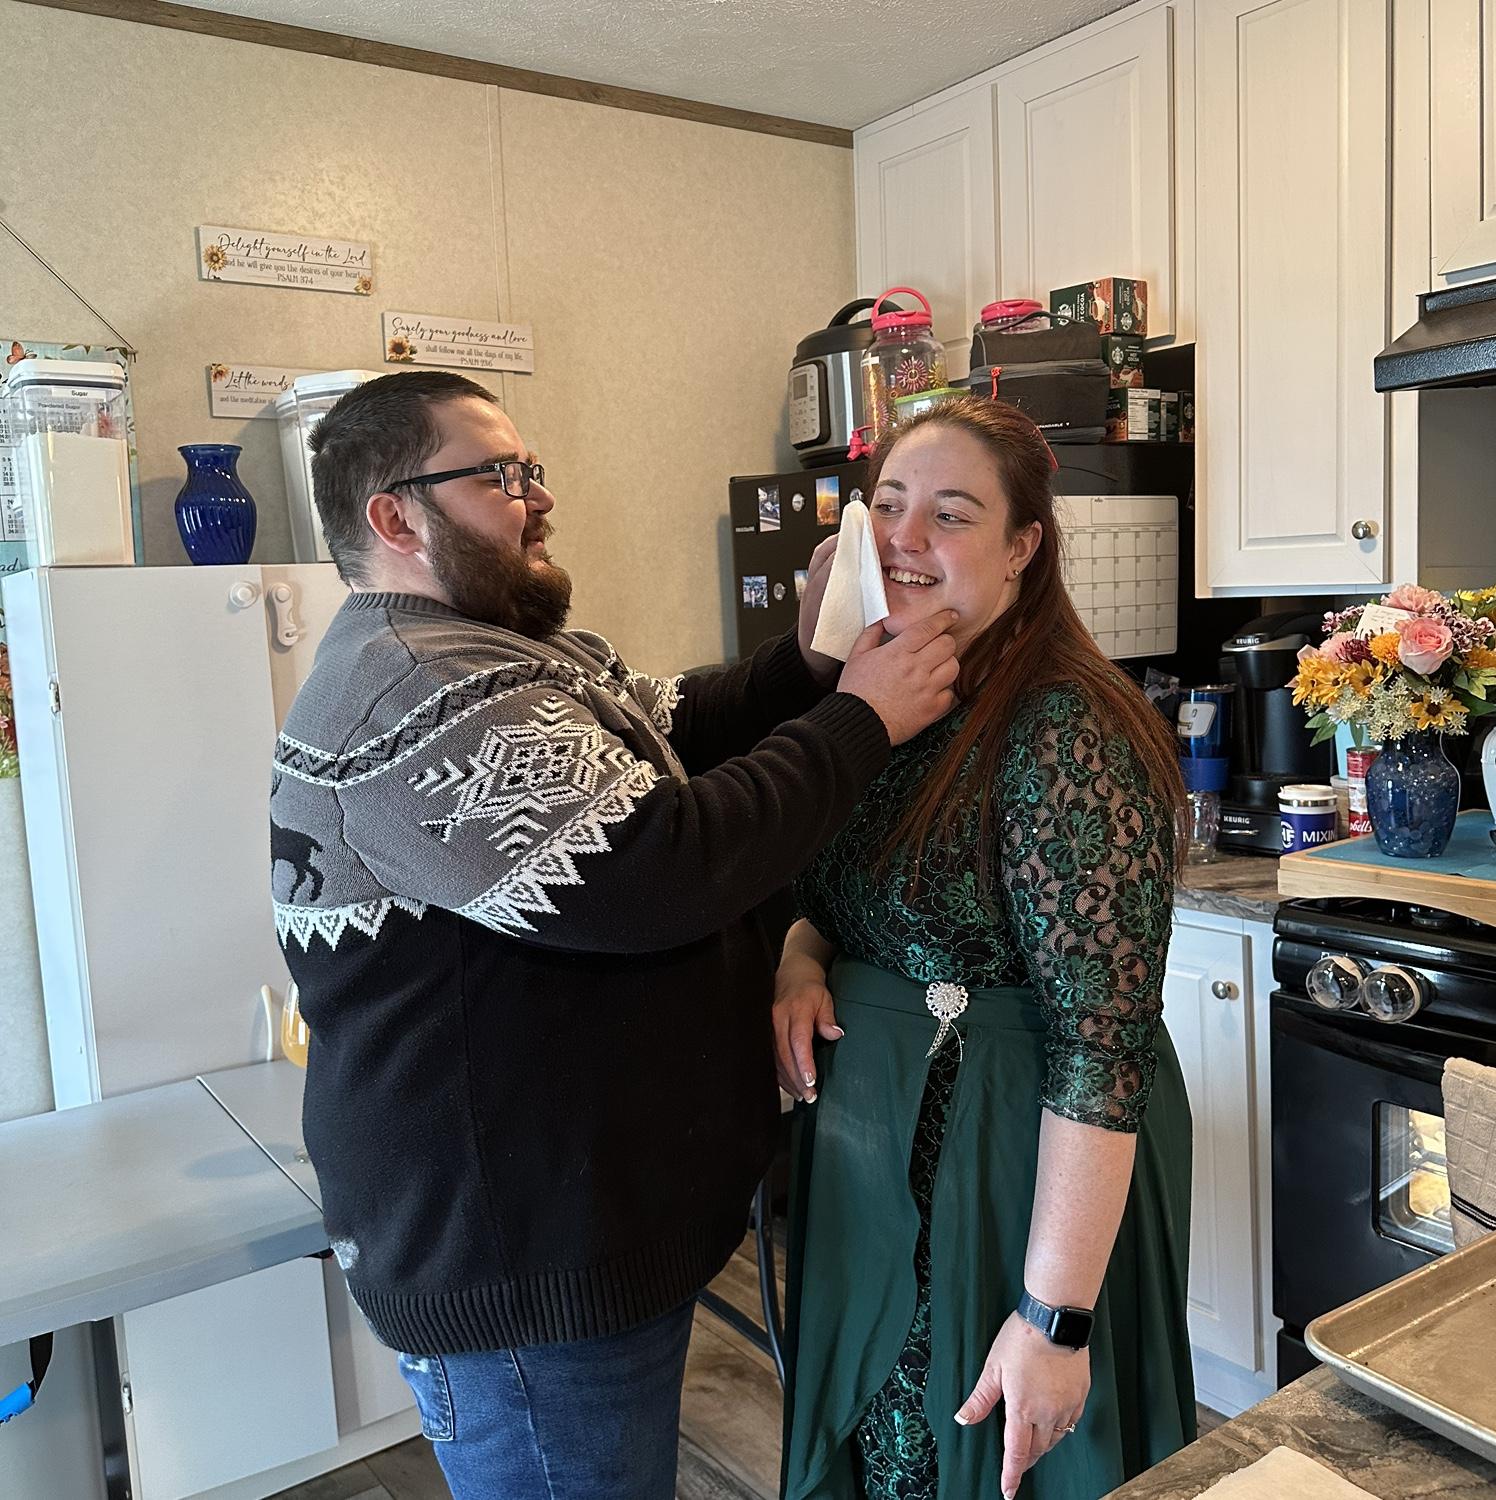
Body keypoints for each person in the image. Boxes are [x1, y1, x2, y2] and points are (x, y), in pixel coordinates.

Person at [268, 370, 961, 1500]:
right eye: (497, 477)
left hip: (580, 1238)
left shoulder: (495, 654)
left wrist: (810, 665)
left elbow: (675, 726)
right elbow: (654, 867)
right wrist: (860, 720)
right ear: (395, 516)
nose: (535, 497)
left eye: (531, 469)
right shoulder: (413, 690)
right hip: (520, 1275)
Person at [773, 397, 1194, 1500]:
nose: (906, 537)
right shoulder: (888, 692)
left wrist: (1054, 1318)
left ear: (1021, 549)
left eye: (950, 515)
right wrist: (800, 953)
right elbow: (849, 895)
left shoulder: (1066, 726)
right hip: (881, 1169)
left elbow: (1103, 1046)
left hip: (1004, 1177)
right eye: (889, 506)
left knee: (989, 1457)